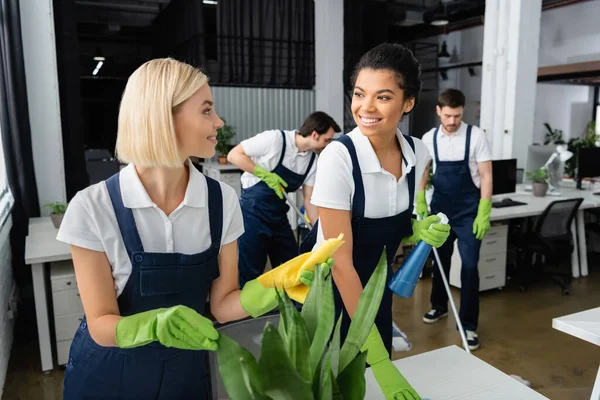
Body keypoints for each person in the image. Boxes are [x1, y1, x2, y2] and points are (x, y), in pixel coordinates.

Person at [56, 58, 327, 399]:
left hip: (188, 375)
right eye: (206, 110)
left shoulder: (222, 202)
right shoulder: (93, 207)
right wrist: (152, 325)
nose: (219, 122)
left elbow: (222, 305)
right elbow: (100, 323)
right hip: (109, 377)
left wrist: (274, 285)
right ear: (163, 117)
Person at [310, 43, 451, 400]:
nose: (365, 107)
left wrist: (418, 229)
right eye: (359, 94)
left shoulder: (418, 152)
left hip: (377, 291)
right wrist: (375, 354)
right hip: (330, 297)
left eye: (383, 97)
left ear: (408, 103)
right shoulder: (339, 157)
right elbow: (341, 264)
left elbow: (397, 221)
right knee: (338, 385)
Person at [227, 111, 341, 287]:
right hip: (252, 211)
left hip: (278, 215)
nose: (328, 145)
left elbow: (309, 199)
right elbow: (234, 154)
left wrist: (319, 229)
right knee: (251, 264)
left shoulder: (312, 162)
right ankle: (246, 313)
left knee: (291, 263)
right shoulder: (275, 140)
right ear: (314, 134)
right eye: (327, 140)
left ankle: (292, 308)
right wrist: (262, 173)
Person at [419, 88, 493, 351]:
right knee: (440, 261)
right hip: (441, 209)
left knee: (470, 266)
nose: (452, 121)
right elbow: (424, 172)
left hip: (470, 211)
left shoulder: (476, 136)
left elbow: (485, 174)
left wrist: (484, 210)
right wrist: (420, 204)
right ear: (439, 111)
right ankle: (438, 306)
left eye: (457, 116)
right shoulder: (429, 138)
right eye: (448, 115)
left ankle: (469, 325)